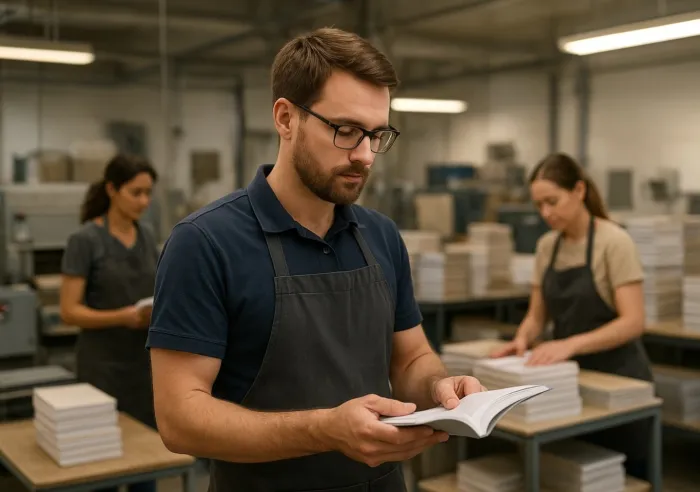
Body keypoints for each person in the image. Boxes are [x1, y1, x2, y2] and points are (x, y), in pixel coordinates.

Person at [146, 27, 484, 492]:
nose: (365, 155)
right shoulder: (205, 243)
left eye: (377, 134)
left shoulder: (381, 236)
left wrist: (439, 389)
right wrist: (325, 430)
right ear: (286, 119)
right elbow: (180, 419)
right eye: (345, 131)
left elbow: (410, 360)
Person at [491, 152, 652, 479]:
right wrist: (522, 340)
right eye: (539, 206)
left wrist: (570, 345)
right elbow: (537, 316)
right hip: (571, 379)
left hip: (620, 379)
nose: (546, 213)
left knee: (619, 477)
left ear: (579, 191)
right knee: (577, 473)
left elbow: (634, 321)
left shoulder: (614, 242)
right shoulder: (547, 246)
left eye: (552, 201)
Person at [60, 154, 159, 492]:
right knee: (100, 469)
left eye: (148, 193)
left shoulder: (147, 237)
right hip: (101, 369)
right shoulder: (85, 241)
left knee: (144, 466)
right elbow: (69, 310)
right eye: (136, 193)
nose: (144, 201)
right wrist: (123, 317)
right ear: (112, 190)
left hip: (142, 370)